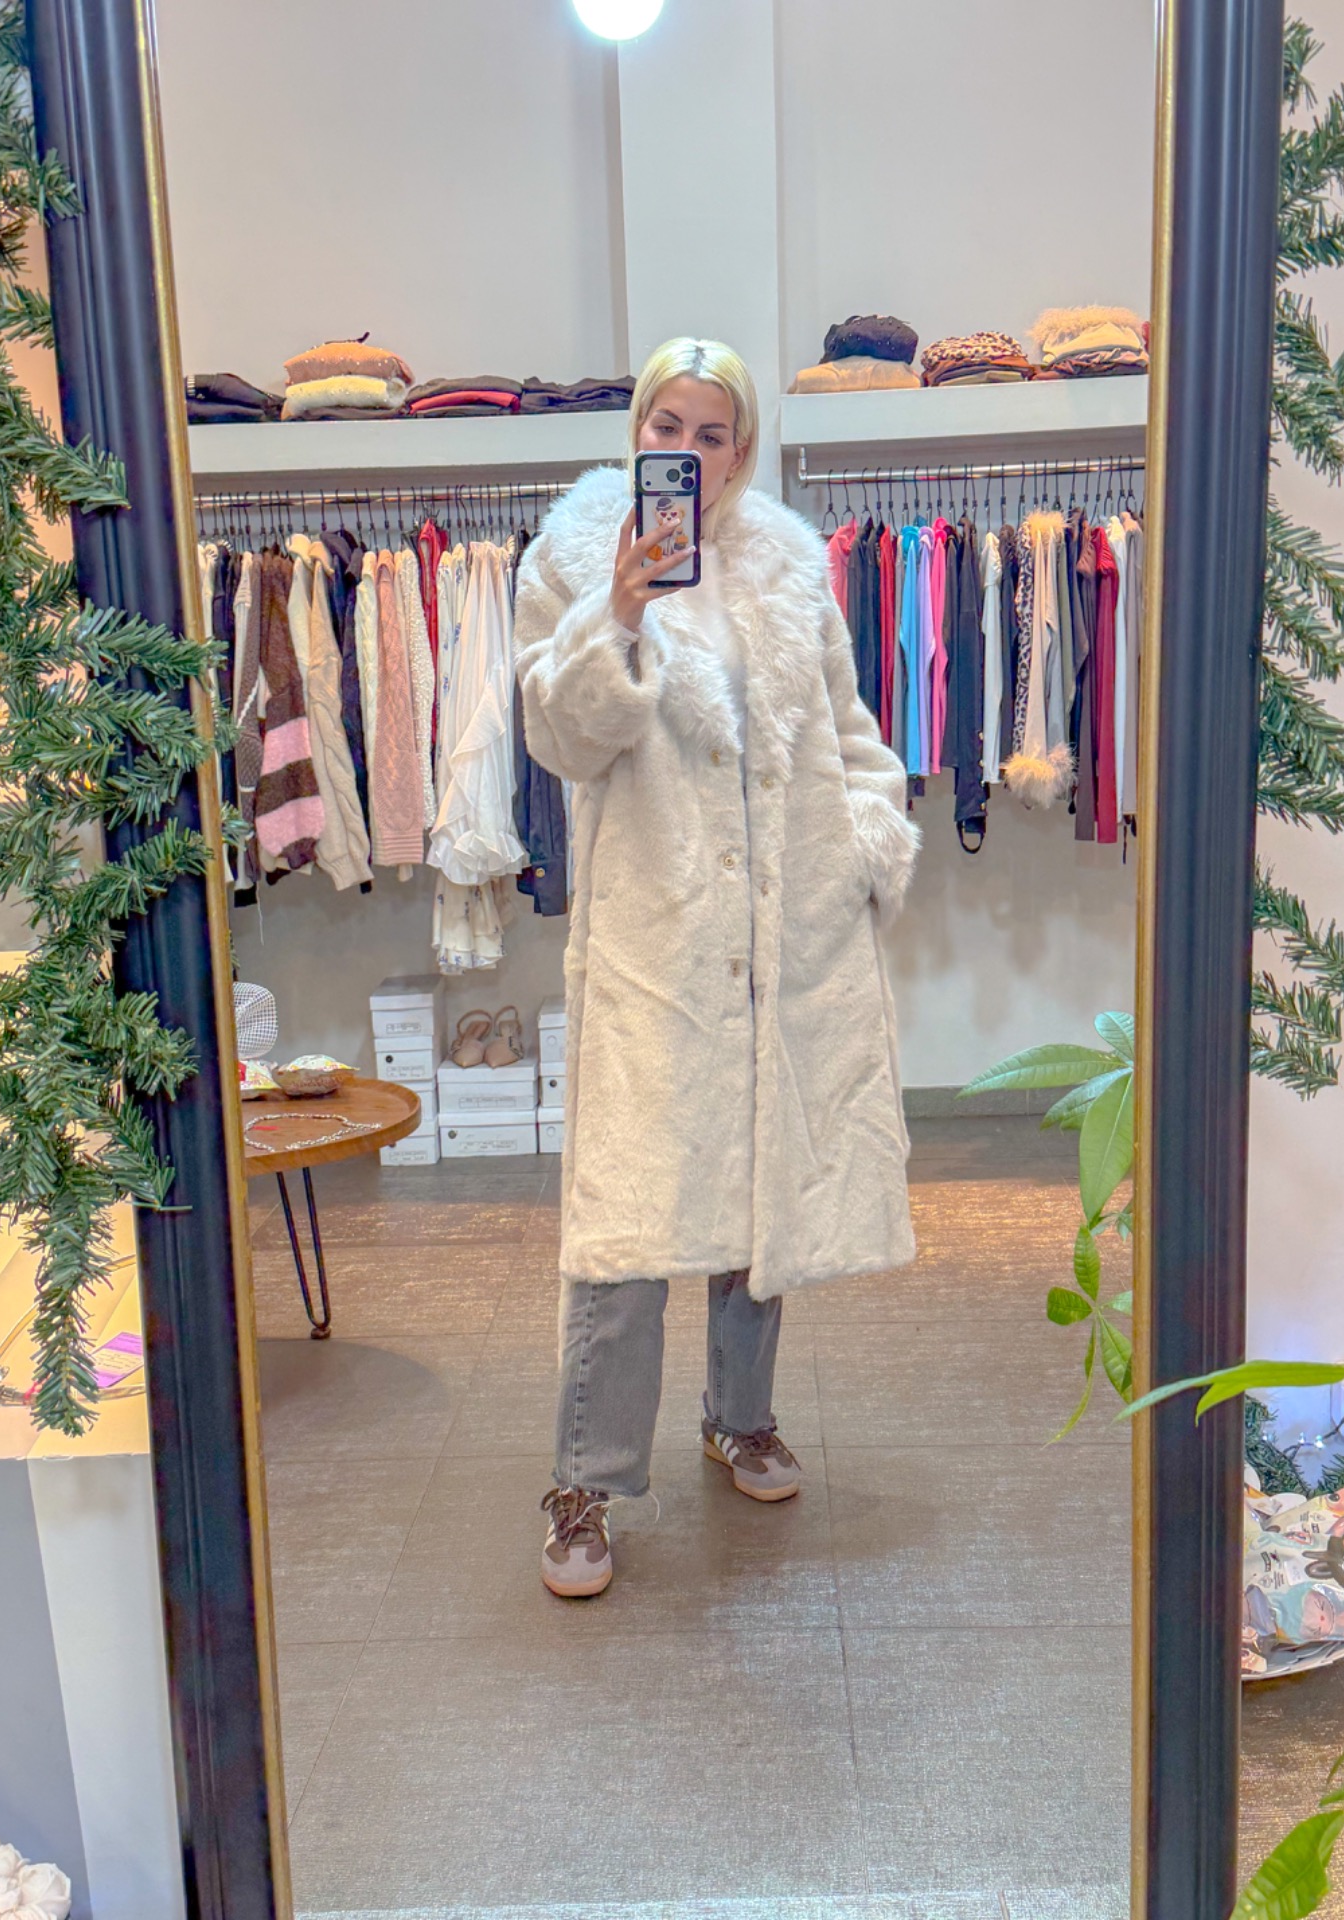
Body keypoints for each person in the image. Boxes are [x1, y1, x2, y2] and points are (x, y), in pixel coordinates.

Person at [515, 338, 918, 1598]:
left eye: (711, 433)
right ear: (636, 429)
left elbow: (848, 731)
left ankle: (738, 1416)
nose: (687, 451)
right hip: (657, 942)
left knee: (761, 1199)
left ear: (742, 447)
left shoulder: (792, 563)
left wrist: (866, 844)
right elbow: (561, 737)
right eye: (667, 427)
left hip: (786, 937)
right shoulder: (571, 555)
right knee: (630, 1222)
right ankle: (585, 1481)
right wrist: (621, 608)